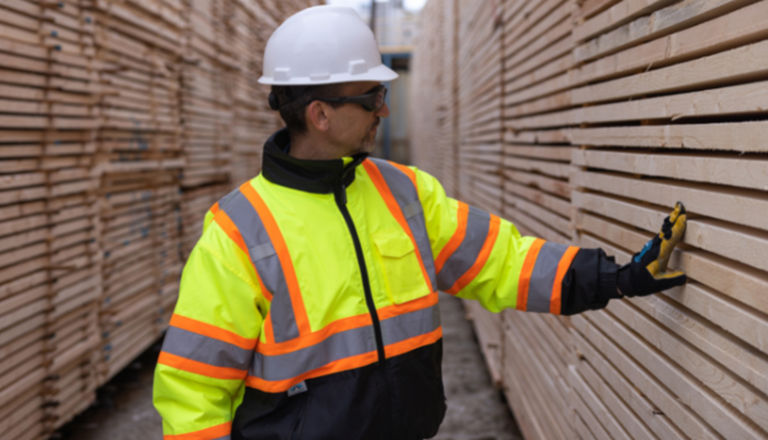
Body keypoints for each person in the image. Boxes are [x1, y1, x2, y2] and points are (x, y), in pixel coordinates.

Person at [153, 5, 687, 440]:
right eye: (372, 97)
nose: (383, 111)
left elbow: (499, 259)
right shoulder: (238, 232)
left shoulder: (404, 192)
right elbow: (194, 389)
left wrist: (611, 277)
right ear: (320, 114)